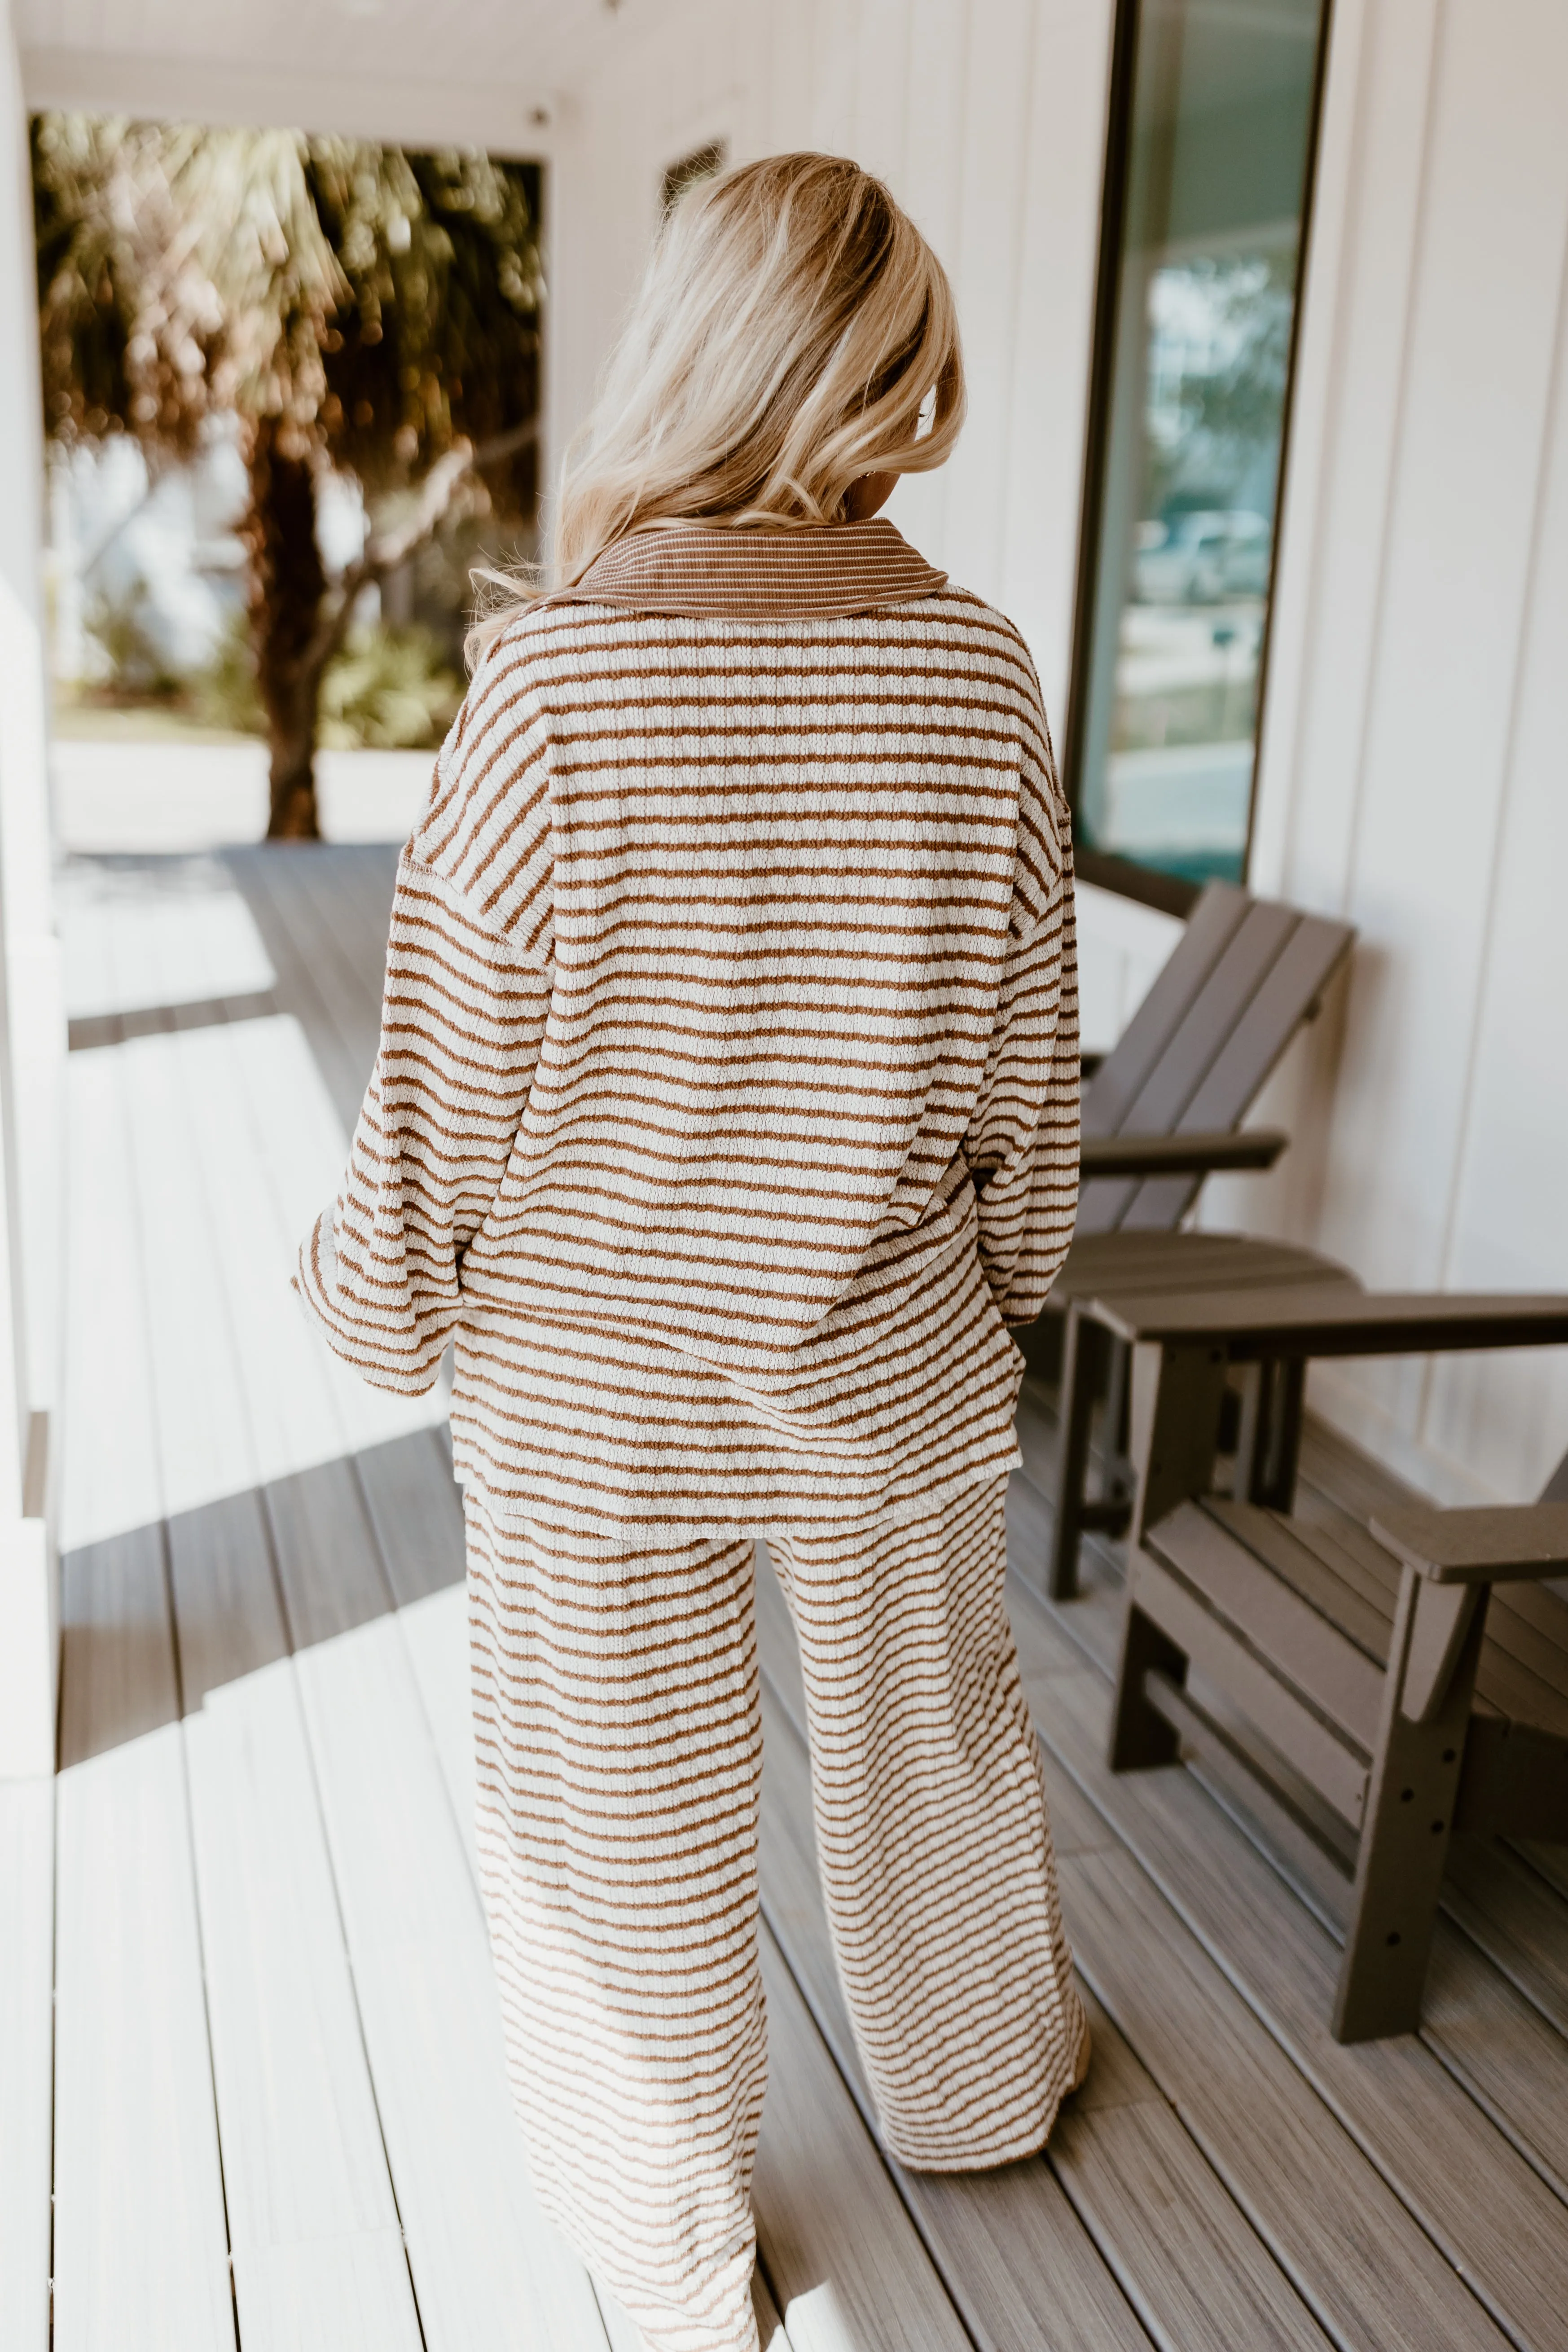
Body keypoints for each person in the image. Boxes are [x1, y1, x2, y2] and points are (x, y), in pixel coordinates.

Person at [298, 150, 1086, 2352]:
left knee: (619, 1818)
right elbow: (1029, 1057)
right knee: (933, 1740)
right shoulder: (982, 676)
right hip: (890, 1354)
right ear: (875, 379)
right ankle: (974, 2085)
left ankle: (665, 2248)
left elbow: (440, 1083)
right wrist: (1019, 1264)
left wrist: (370, 1298)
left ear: (697, 355)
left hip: (594, 1390)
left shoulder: (553, 690)